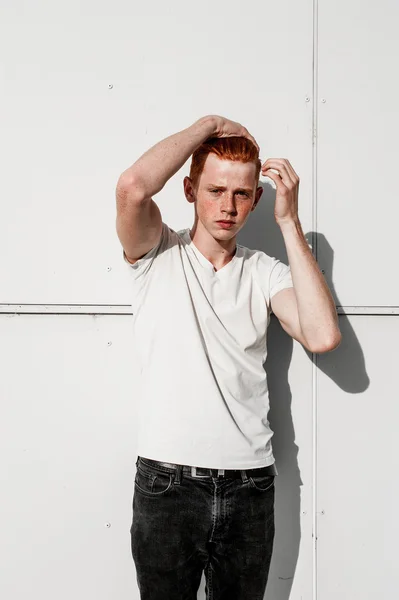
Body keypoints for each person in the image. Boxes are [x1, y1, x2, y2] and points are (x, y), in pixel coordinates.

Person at [115, 115, 341, 600]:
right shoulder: (158, 254)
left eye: (241, 194)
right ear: (190, 190)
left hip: (249, 488)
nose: (228, 206)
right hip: (166, 485)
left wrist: (288, 220)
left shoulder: (266, 272)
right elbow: (133, 188)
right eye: (215, 190)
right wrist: (209, 125)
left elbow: (322, 336)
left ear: (256, 199)